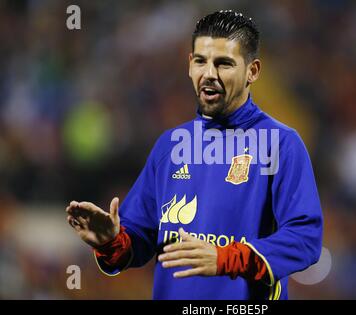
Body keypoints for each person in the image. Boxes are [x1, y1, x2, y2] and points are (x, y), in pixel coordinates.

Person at [66, 10, 323, 300]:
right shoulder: (170, 146)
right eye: (201, 61)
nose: (209, 74)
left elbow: (305, 239)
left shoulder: (281, 144)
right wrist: (111, 242)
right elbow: (137, 239)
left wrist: (227, 258)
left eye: (224, 63)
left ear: (252, 71)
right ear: (190, 65)